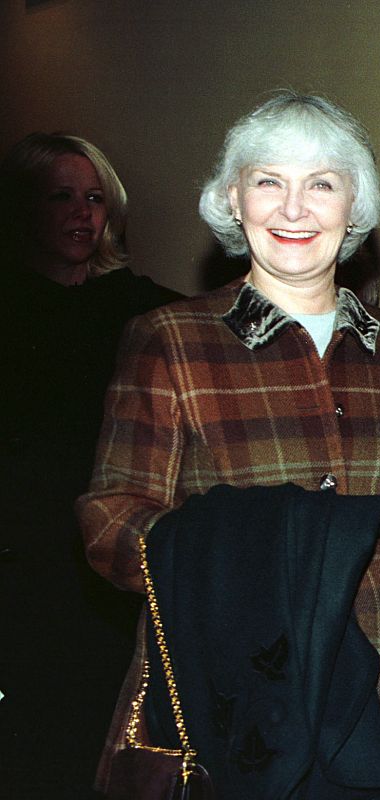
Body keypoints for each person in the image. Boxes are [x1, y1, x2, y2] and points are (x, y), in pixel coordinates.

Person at [76, 92, 380, 797]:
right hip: (227, 704)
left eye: (322, 184)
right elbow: (108, 519)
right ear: (233, 199)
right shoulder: (172, 341)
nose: (294, 209)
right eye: (268, 182)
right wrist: (250, 555)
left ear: (356, 208)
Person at [0, 133, 178, 798]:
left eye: (95, 198)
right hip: (26, 566)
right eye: (62, 197)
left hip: (106, 566)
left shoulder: (137, 305)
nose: (82, 213)